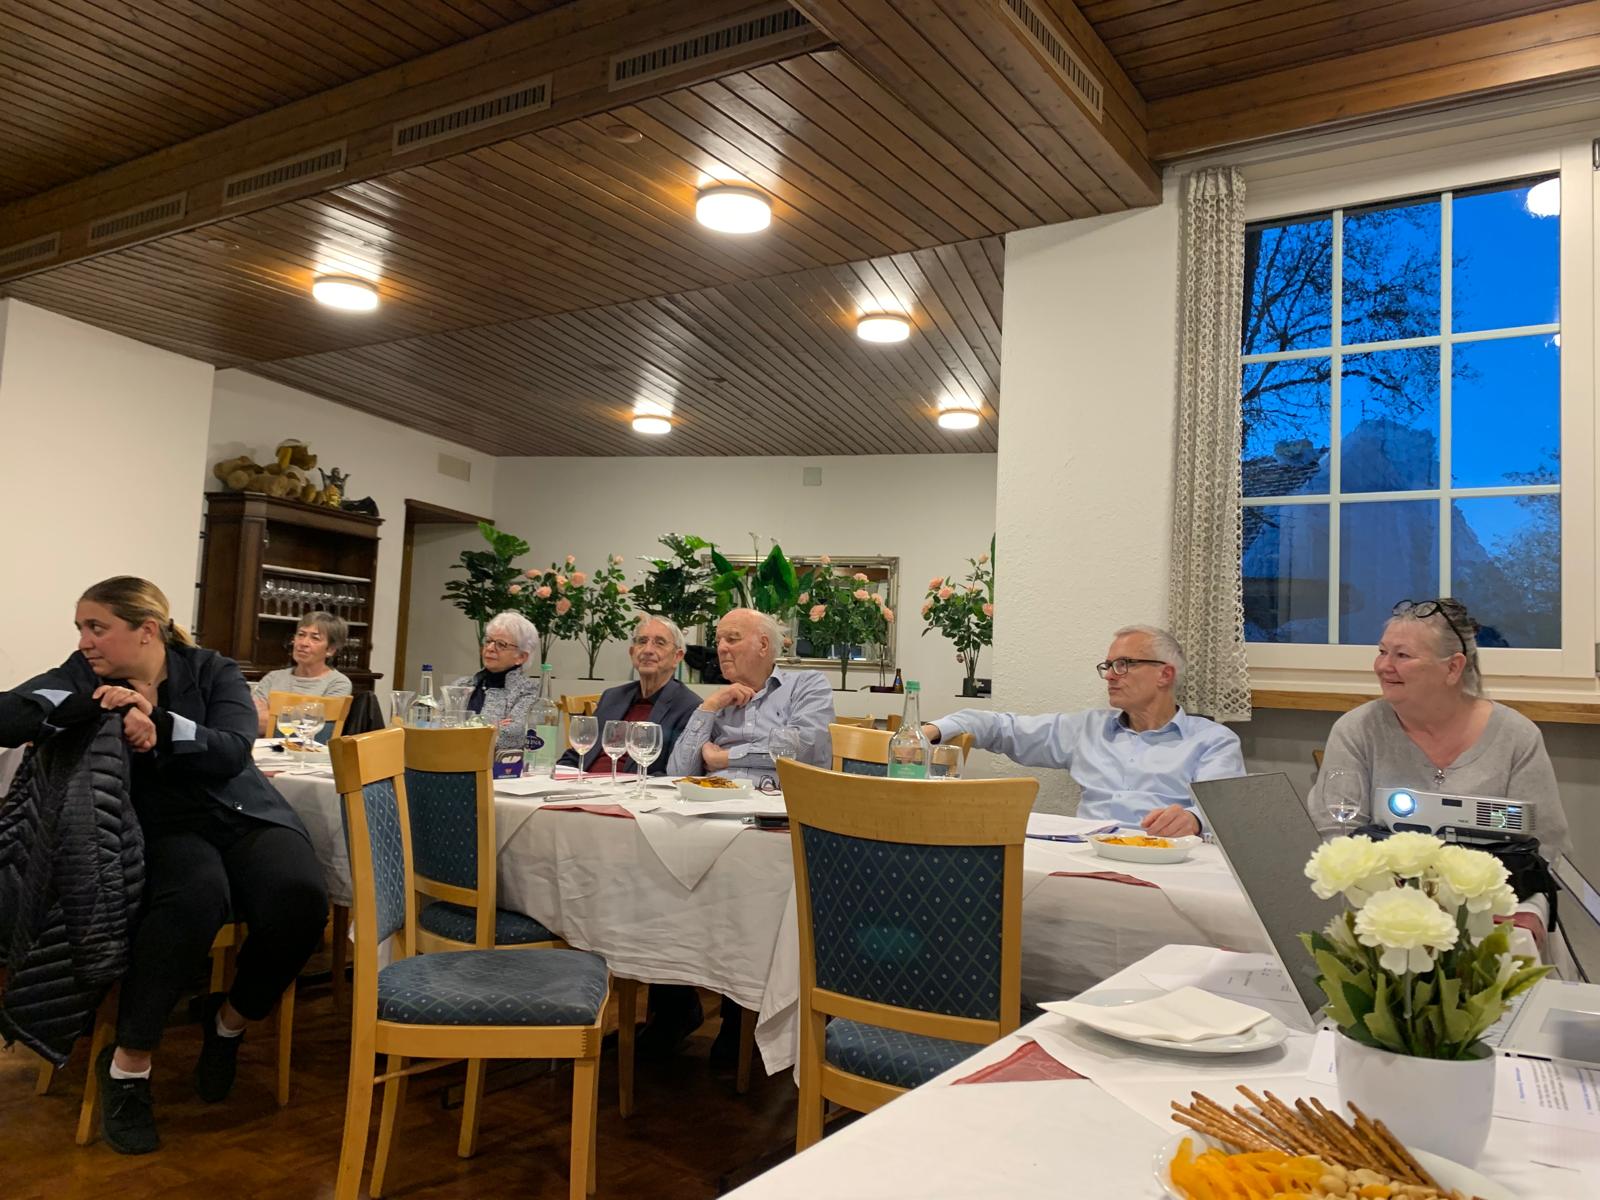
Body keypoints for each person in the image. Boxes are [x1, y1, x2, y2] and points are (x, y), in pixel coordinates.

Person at [0, 577, 329, 1155]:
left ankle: (228, 1022)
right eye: (81, 628)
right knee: (193, 898)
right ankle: (129, 1067)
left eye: (96, 627)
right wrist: (99, 702)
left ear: (146, 630)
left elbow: (231, 749)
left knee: (301, 897)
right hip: (162, 826)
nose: (84, 641)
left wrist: (159, 721)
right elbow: (8, 715)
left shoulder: (210, 669)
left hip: (241, 810)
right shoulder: (83, 674)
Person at [1310, 598, 1571, 861]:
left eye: (1402, 655)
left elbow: (1547, 849)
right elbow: (1338, 838)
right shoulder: (1357, 730)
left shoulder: (1516, 737)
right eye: (1382, 652)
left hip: (1495, 886)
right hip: (1384, 885)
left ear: (1453, 667)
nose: (1383, 667)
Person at [925, 625, 1244, 836]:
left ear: (1165, 675)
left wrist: (1193, 819)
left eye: (1124, 664)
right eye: (1108, 666)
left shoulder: (1213, 741)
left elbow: (1227, 813)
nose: (1110, 676)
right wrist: (933, 730)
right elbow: (1003, 727)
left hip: (1167, 860)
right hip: (1088, 856)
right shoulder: (1087, 729)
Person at [665, 608, 835, 785]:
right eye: (718, 642)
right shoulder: (721, 704)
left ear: (763, 645)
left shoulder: (805, 685)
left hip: (782, 800)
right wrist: (708, 706)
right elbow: (678, 773)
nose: (721, 648)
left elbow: (805, 749)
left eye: (732, 639)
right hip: (717, 798)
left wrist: (724, 758)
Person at [556, 615, 700, 774]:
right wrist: (559, 775)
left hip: (635, 787)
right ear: (632, 653)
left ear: (677, 656)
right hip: (584, 783)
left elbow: (673, 773)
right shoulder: (612, 697)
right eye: (642, 641)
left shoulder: (688, 707)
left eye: (659, 643)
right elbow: (577, 754)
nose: (648, 650)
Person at [251, 610, 352, 736]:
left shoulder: (338, 683)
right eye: (301, 635)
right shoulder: (272, 678)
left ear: (330, 650)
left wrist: (270, 718)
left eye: (315, 638)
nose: (303, 643)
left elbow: (319, 732)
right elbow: (250, 721)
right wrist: (297, 722)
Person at [450, 610, 542, 748]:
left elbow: (515, 737)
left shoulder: (529, 691)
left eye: (501, 644)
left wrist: (460, 729)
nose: (490, 648)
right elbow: (437, 726)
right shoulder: (461, 685)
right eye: (488, 641)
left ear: (521, 657)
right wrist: (493, 727)